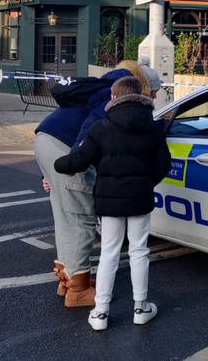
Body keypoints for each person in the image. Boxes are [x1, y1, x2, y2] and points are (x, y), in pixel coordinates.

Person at [54, 76, 171, 330]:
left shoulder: (101, 127)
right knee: (139, 251)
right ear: (141, 96)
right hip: (140, 198)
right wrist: (144, 184)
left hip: (108, 200)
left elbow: (78, 160)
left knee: (109, 253)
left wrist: (58, 166)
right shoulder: (154, 128)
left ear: (114, 98)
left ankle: (100, 313)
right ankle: (141, 308)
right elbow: (164, 165)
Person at [34, 59, 151, 307]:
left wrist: (49, 173)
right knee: (80, 216)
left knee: (65, 215)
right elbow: (91, 127)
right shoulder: (113, 97)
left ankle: (68, 279)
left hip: (47, 140)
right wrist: (73, 161)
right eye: (154, 92)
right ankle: (77, 290)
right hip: (67, 148)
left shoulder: (103, 85)